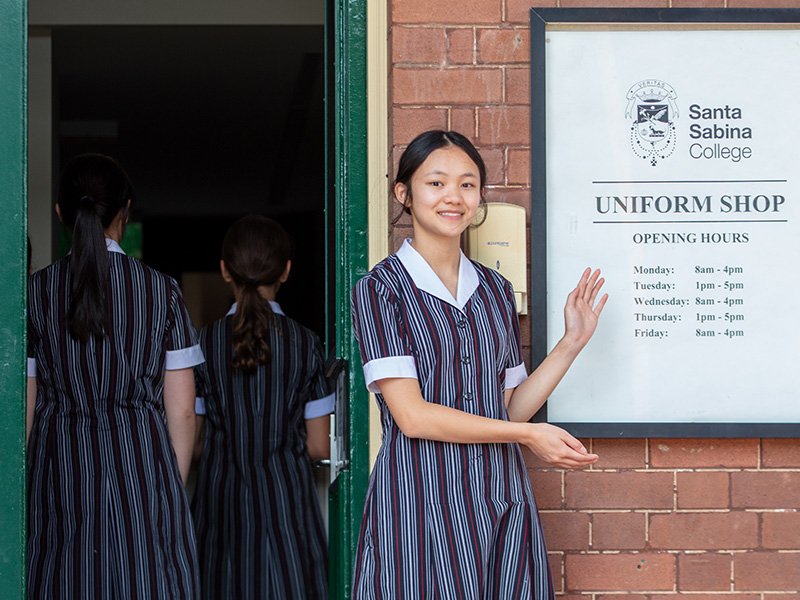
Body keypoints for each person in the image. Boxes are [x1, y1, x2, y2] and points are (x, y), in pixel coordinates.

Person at [350, 130, 608, 598]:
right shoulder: (379, 290)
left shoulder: (494, 290)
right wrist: (529, 437)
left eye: (468, 185)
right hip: (420, 504)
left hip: (501, 498)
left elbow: (509, 409)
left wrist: (571, 342)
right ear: (404, 194)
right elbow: (412, 417)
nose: (454, 197)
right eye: (437, 183)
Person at [26, 154, 202, 598]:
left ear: (61, 213)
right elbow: (181, 411)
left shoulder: (34, 293)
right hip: (142, 458)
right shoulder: (162, 290)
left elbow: (24, 405)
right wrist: (167, 484)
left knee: (64, 580)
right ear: (125, 210)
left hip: (58, 462)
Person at [192, 215, 332, 599]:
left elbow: (192, 437)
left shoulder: (202, 344)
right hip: (288, 507)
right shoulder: (306, 344)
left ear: (225, 271)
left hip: (220, 508)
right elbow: (320, 446)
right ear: (286, 271)